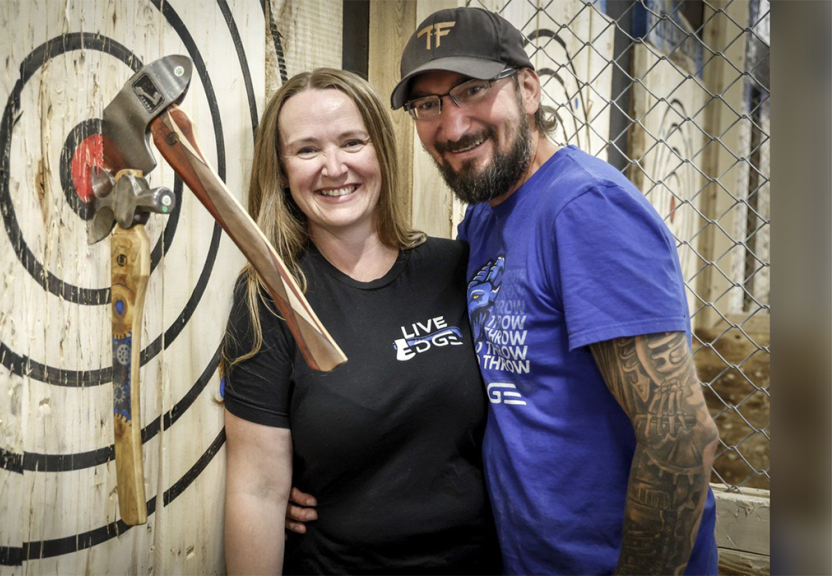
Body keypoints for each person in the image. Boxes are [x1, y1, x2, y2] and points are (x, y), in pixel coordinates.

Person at [287, 7, 721, 576]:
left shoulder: (587, 210)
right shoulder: (484, 224)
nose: (453, 124)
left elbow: (680, 436)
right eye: (428, 105)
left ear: (528, 88)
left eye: (472, 90)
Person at [221, 68, 501, 575]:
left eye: (352, 142)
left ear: (381, 152)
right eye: (307, 150)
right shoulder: (272, 297)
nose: (334, 167)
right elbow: (257, 489)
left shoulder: (456, 268)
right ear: (282, 169)